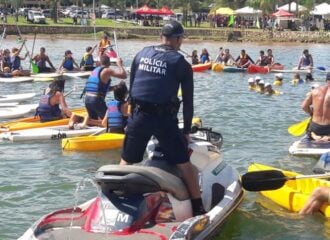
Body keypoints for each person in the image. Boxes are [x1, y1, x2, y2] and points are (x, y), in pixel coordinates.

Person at [120, 20, 205, 216]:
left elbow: (132, 89)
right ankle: (198, 206)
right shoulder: (181, 63)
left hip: (139, 116)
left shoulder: (141, 53)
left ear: (161, 37)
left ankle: (114, 198)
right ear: (177, 40)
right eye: (181, 39)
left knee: (126, 161)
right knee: (184, 163)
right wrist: (185, 133)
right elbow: (188, 101)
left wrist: (131, 121)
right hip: (163, 120)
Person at [83, 55, 127, 122]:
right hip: (96, 100)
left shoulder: (95, 70)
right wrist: (119, 64)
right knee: (109, 121)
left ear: (101, 62)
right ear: (109, 63)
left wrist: (115, 87)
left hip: (87, 99)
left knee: (93, 121)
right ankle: (82, 120)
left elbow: (100, 89)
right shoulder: (107, 70)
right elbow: (124, 75)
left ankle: (84, 121)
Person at [301, 73, 330, 140]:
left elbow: (304, 106)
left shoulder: (314, 91)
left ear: (326, 80)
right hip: (328, 128)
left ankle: (313, 134)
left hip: (315, 127)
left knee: (311, 127)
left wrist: (311, 113)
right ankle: (327, 137)